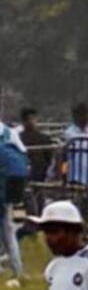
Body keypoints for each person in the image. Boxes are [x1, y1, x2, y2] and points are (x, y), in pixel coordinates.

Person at [0, 112, 30, 277]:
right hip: (18, 177)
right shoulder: (9, 131)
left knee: (6, 225)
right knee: (7, 226)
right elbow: (24, 155)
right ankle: (17, 269)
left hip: (5, 177)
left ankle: (15, 268)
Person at [59, 105, 88, 193]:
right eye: (82, 115)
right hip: (74, 174)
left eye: (87, 115)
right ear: (75, 116)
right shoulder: (69, 134)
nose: (86, 118)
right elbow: (63, 156)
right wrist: (63, 174)